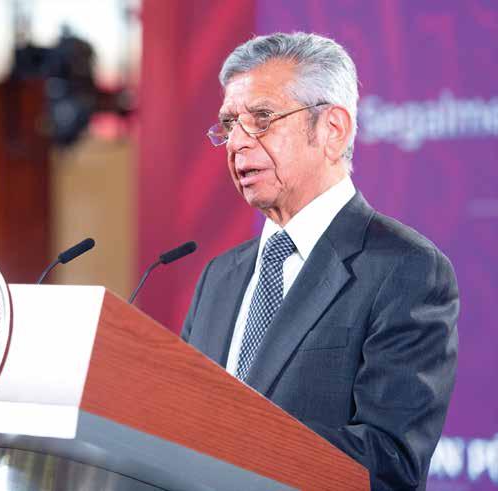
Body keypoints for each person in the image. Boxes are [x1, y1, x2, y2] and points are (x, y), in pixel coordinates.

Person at [180, 32, 459, 490]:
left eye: (262, 118)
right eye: (229, 124)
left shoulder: (405, 269)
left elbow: (389, 462)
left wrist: (230, 441)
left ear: (333, 129)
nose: (236, 143)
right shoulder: (220, 276)